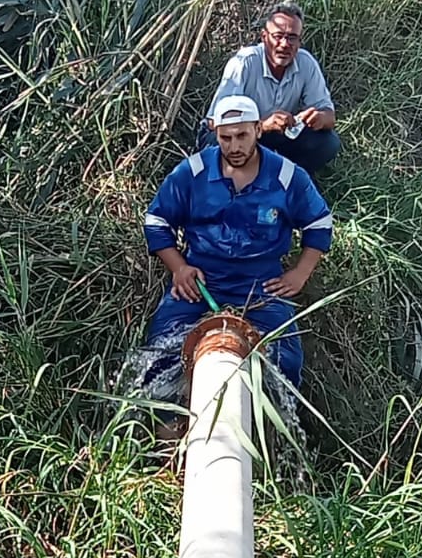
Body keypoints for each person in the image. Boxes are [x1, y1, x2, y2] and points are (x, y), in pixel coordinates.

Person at [135, 94, 332, 412]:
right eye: (226, 138)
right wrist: (179, 267)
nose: (234, 146)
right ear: (216, 133)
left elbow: (319, 223)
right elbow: (156, 221)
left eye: (242, 135)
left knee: (285, 360)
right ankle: (168, 428)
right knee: (161, 349)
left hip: (261, 285)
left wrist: (299, 273)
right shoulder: (193, 171)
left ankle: (272, 428)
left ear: (258, 129)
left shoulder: (286, 176)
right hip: (200, 280)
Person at [200, 2, 340, 176]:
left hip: (277, 136)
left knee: (329, 142)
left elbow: (330, 117)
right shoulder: (244, 63)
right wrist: (263, 126)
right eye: (278, 36)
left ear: (299, 41)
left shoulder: (306, 63)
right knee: (216, 145)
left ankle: (288, 179)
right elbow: (215, 123)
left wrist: (318, 118)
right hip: (239, 134)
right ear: (264, 37)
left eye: (292, 38)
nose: (284, 44)